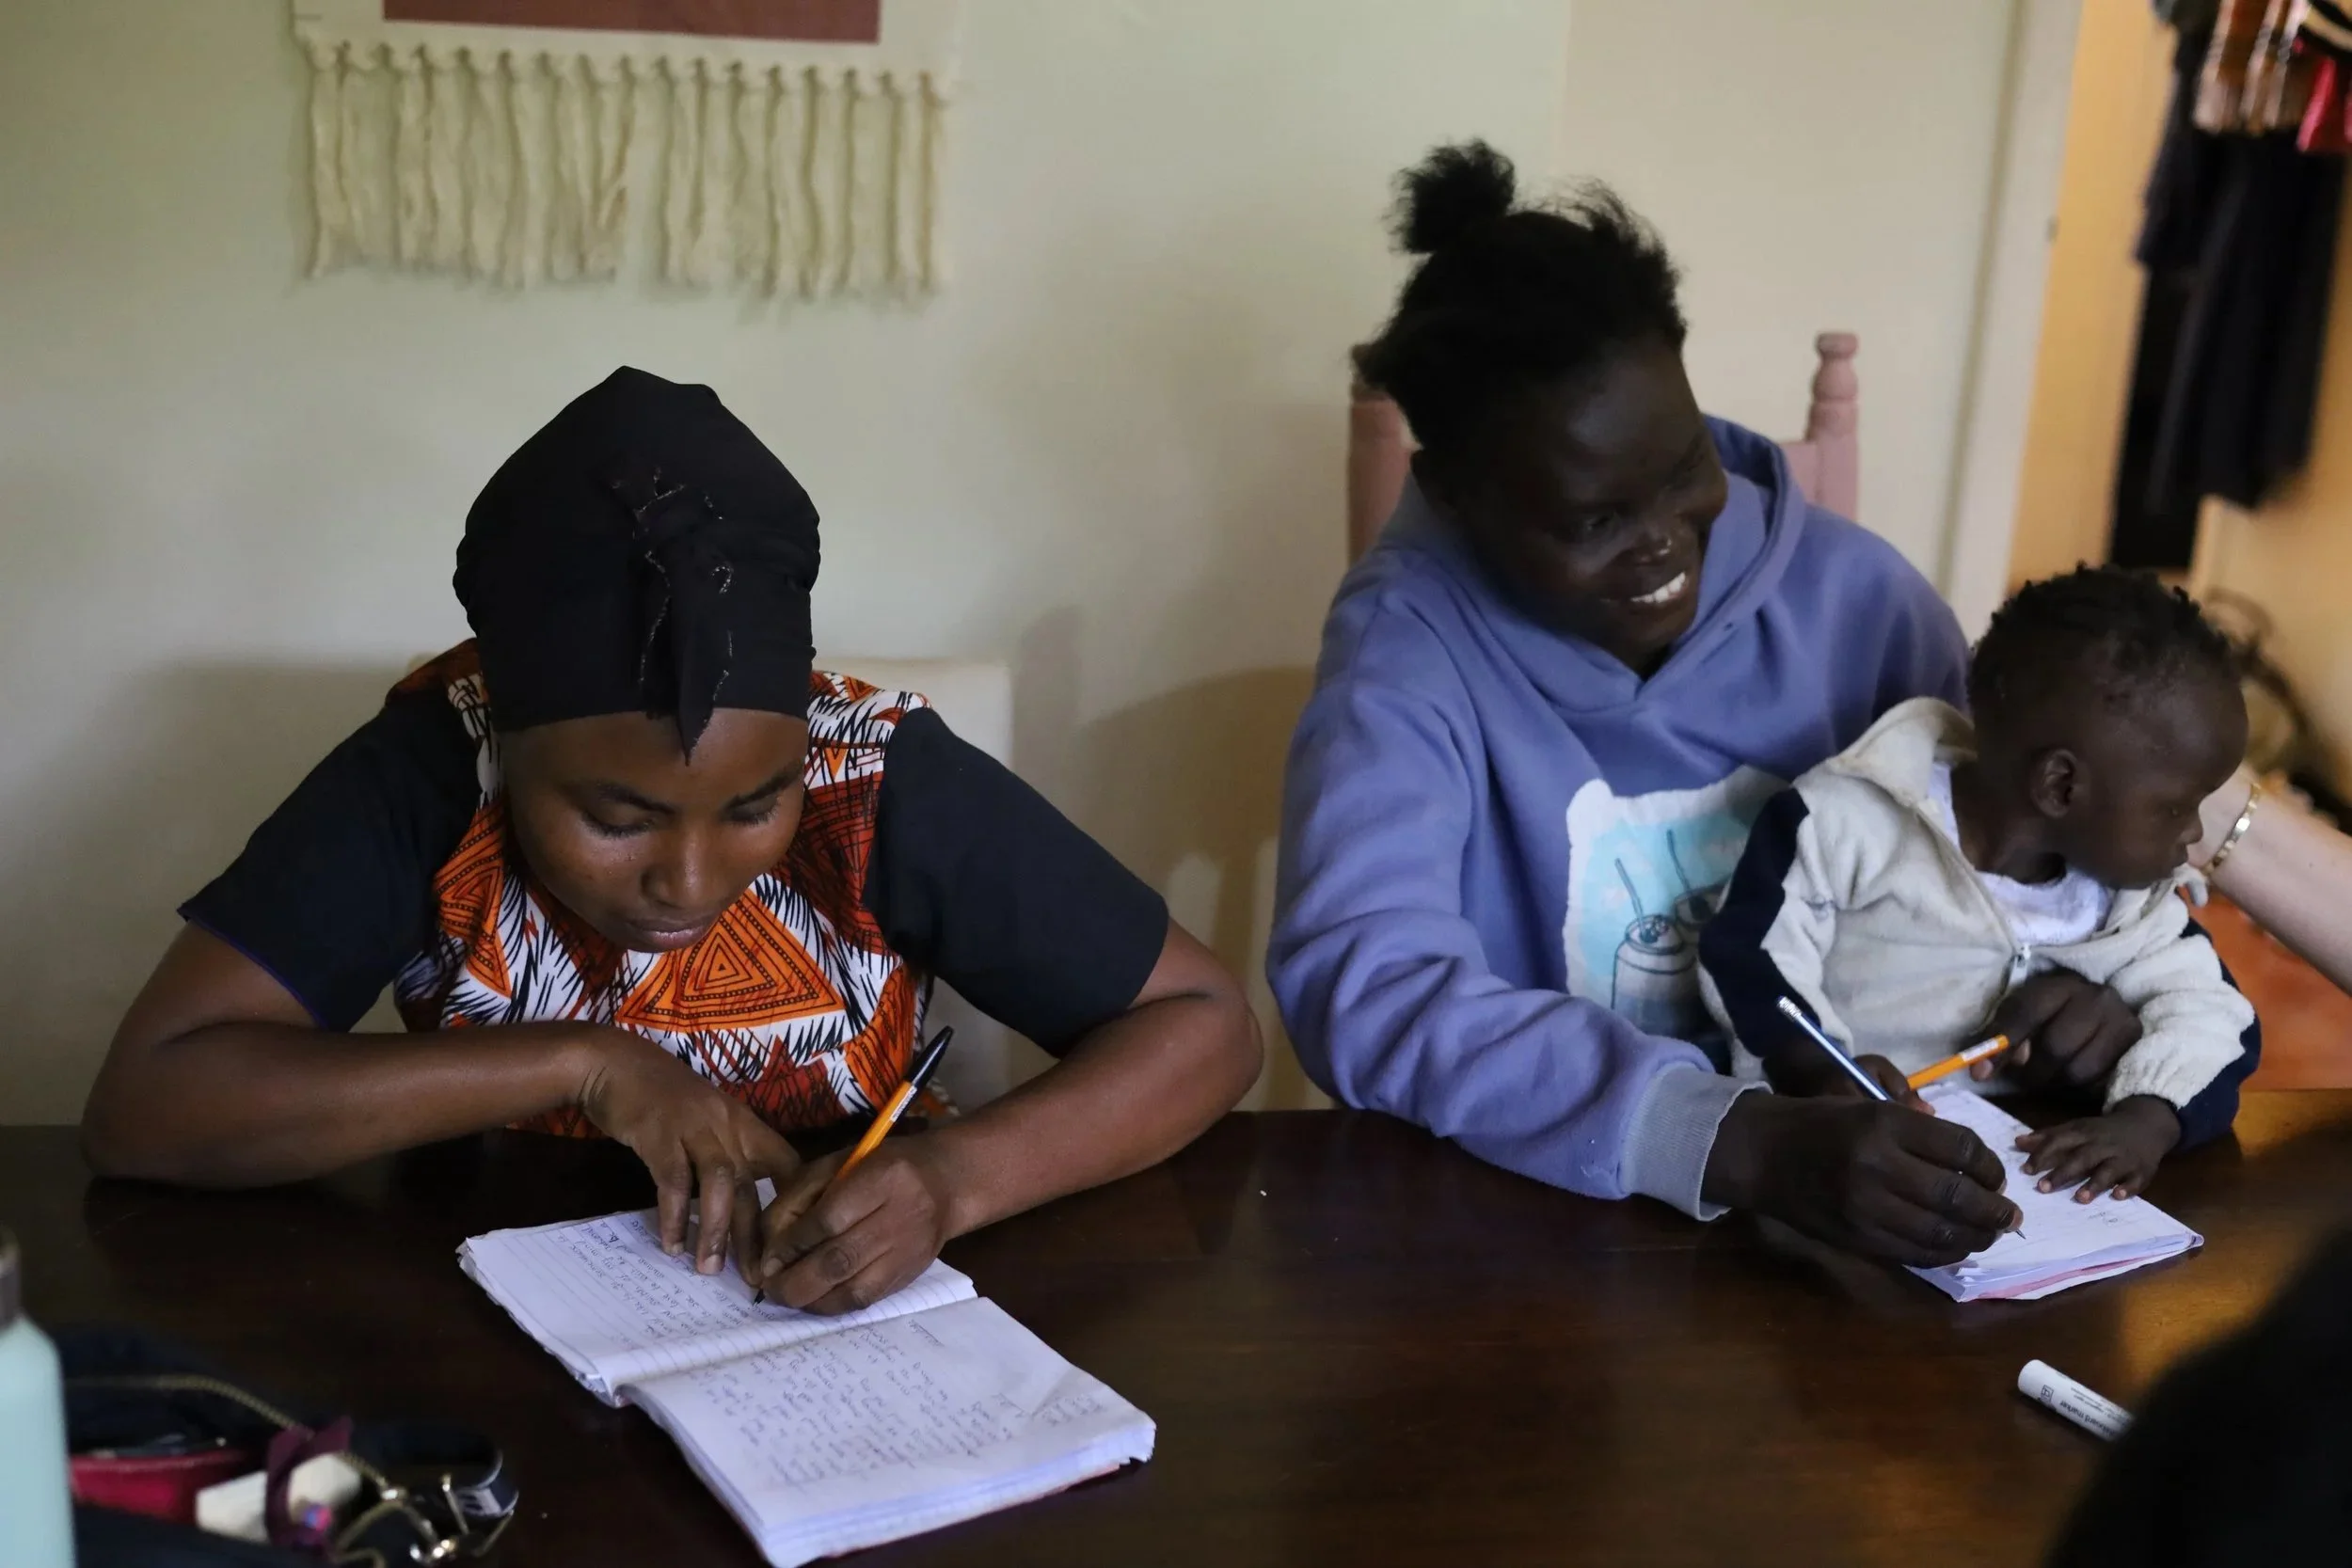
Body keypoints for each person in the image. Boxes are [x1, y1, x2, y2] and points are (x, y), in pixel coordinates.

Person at [81, 367, 1261, 1312]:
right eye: (615, 818)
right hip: (486, 1317)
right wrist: (583, 1063)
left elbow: (1205, 1024)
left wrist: (953, 1181)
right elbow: (150, 1103)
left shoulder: (876, 775)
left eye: (754, 807)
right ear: (506, 735)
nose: (689, 882)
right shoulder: (432, 769)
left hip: (831, 1319)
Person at [1269, 140, 2082, 1266]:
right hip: (1529, 1230)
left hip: (1869, 1216)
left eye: (1682, 472)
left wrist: (2081, 981)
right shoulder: (1406, 647)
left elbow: (2006, 866)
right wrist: (1728, 1137)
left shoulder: (1864, 606)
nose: (1661, 544)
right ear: (1453, 494)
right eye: (1593, 519)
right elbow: (1368, 984)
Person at [1700, 567, 2260, 1202]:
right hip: (1831, 1173)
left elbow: (2219, 1019)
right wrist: (1817, 1068)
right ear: (2060, 787)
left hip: (2019, 1190)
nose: (2194, 833)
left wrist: (2144, 1122)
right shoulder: (1844, 823)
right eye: (2176, 807)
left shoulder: (2131, 904)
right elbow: (1749, 953)